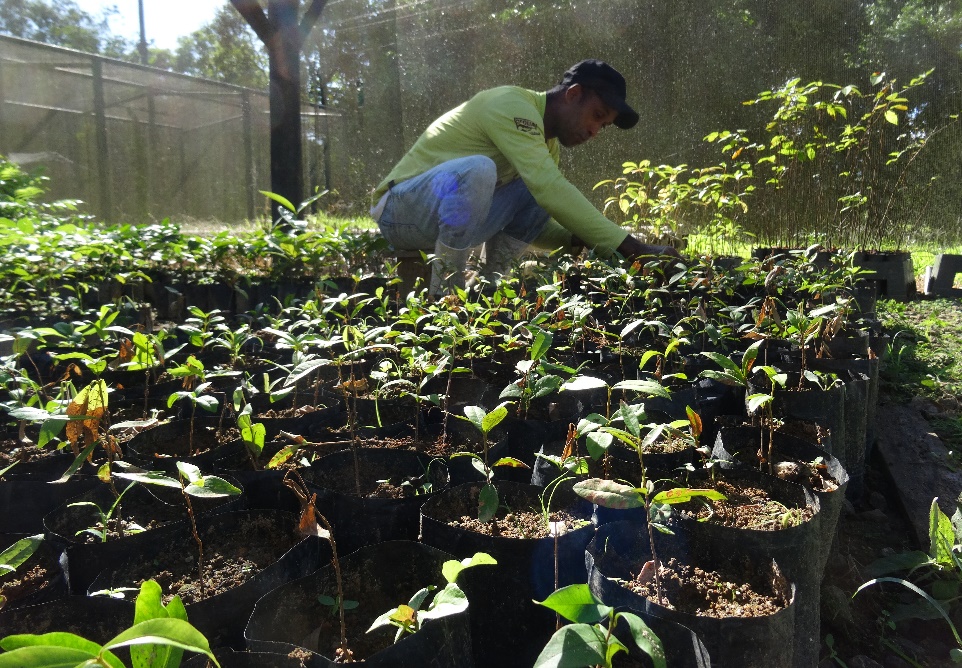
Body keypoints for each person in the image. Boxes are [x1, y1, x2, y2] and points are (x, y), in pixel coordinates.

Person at [370, 59, 681, 295]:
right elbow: (549, 188)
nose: (594, 131)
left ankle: (488, 288)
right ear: (573, 95)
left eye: (604, 126)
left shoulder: (546, 146)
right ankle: (446, 296)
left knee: (535, 189)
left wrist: (577, 237)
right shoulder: (511, 104)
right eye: (597, 116)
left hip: (449, 222)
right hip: (400, 211)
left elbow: (536, 214)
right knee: (483, 170)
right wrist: (632, 247)